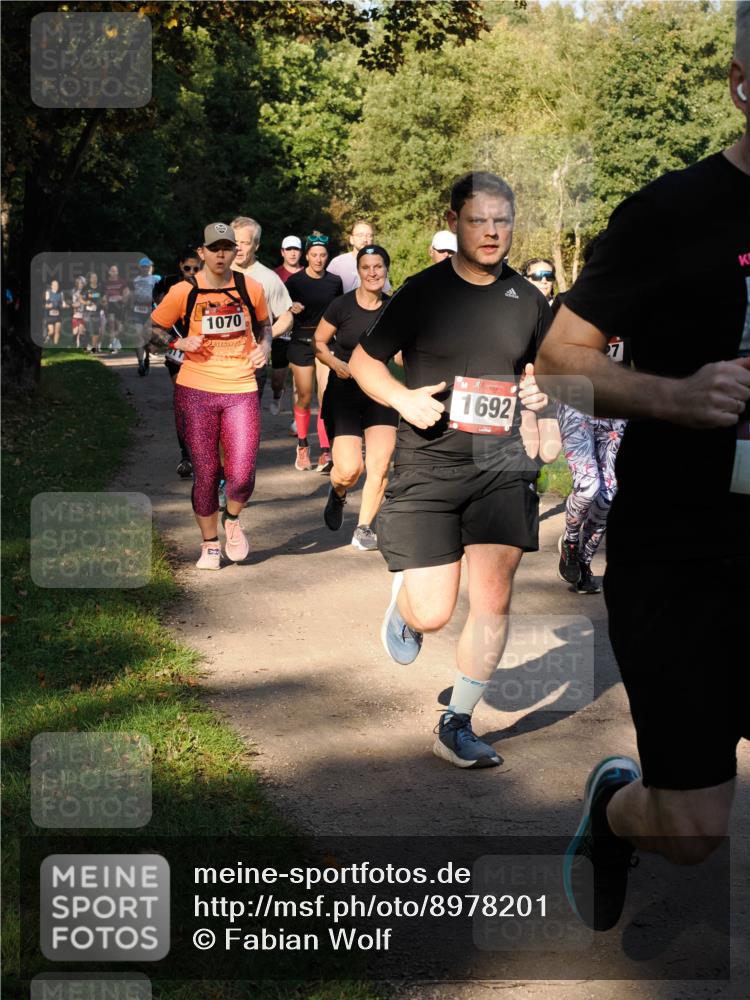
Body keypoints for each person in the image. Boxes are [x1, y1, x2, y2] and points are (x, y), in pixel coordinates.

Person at [535, 2, 750, 933]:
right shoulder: (671, 213)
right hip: (685, 550)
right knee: (694, 827)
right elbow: (558, 361)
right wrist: (676, 396)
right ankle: (621, 810)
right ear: (744, 85)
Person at [350, 171, 556, 769]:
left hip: (500, 460)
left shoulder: (530, 300)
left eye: (502, 220)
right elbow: (365, 362)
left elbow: (541, 373)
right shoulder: (422, 292)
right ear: (456, 222)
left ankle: (457, 722)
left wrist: (543, 392)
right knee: (435, 611)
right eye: (478, 220)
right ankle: (408, 609)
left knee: (493, 598)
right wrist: (402, 399)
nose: (492, 232)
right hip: (429, 460)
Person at [150, 223, 271, 569]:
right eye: (214, 248)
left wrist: (263, 347)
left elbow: (265, 326)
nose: (220, 254)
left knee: (243, 473)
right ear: (202, 252)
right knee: (205, 471)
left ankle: (231, 518)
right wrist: (178, 342)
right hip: (196, 388)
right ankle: (209, 544)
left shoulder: (252, 288)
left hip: (240, 386)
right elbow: (151, 331)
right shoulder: (183, 291)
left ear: (237, 252)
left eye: (227, 248)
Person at [547, 238, 628, 595]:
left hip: (616, 410)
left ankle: (583, 561)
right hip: (576, 403)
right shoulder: (566, 304)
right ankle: (569, 538)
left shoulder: (633, 306)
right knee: (588, 485)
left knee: (610, 494)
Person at [315, 245, 399, 550]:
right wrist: (335, 364)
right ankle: (337, 492)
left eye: (378, 267)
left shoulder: (394, 308)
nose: (373, 272)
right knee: (350, 470)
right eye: (366, 267)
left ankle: (364, 527)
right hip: (345, 392)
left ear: (386, 270)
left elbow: (401, 356)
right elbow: (319, 342)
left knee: (380, 462)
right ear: (359, 271)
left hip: (380, 391)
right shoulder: (342, 306)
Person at [286, 234, 344, 472]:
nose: (319, 259)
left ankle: (325, 450)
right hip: (300, 342)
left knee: (325, 394)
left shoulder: (335, 281)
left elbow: (340, 311)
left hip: (325, 343)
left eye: (323, 255)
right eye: (314, 255)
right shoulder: (294, 281)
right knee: (304, 396)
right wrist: (291, 307)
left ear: (327, 256)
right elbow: (282, 310)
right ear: (307, 255)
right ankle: (302, 446)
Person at [231, 216, 294, 411]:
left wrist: (266, 341)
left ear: (256, 245)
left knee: (244, 422)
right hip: (216, 362)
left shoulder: (268, 278)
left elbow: (287, 316)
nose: (239, 248)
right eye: (235, 242)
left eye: (245, 243)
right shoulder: (214, 273)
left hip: (252, 361)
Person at [154, 247, 203, 478]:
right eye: (187, 268)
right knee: (186, 404)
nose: (192, 272)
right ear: (180, 266)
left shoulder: (210, 285)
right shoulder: (168, 285)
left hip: (204, 353)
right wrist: (175, 342)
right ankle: (187, 455)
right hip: (178, 352)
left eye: (196, 268)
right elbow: (157, 321)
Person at [328, 220, 393, 294]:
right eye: (360, 235)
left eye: (369, 235)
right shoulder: (337, 263)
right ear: (351, 239)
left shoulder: (379, 263)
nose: (365, 239)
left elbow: (385, 292)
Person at [131, 257, 160, 376]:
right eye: (143, 267)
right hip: (137, 311)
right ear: (140, 268)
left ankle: (147, 358)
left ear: (151, 268)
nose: (146, 269)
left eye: (148, 266)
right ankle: (140, 364)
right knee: (138, 337)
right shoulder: (135, 280)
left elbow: (164, 292)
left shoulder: (156, 279)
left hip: (151, 311)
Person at [104, 264, 128, 352]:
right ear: (109, 272)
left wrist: (122, 298)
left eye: (116, 271)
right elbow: (103, 295)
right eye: (112, 271)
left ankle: (116, 340)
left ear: (118, 272)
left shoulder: (122, 282)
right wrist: (105, 301)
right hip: (110, 306)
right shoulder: (106, 283)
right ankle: (113, 345)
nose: (114, 272)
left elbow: (127, 292)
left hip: (120, 306)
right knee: (111, 325)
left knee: (120, 327)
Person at [82, 271, 105, 353]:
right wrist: (86, 302)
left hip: (96, 312)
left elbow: (103, 298)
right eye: (93, 277)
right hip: (87, 312)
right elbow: (81, 298)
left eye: (96, 277)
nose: (95, 279)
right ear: (90, 279)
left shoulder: (100, 288)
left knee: (95, 330)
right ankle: (86, 345)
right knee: (87, 330)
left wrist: (103, 301)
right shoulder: (85, 288)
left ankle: (94, 348)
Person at [44, 278, 65, 345]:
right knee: (51, 331)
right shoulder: (48, 292)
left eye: (57, 285)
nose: (56, 287)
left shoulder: (61, 293)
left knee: (57, 331)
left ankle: (55, 346)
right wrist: (48, 306)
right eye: (55, 285)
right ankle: (47, 337)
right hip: (50, 315)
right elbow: (44, 304)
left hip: (58, 315)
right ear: (51, 286)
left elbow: (63, 302)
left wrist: (64, 305)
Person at [70, 275, 87, 348]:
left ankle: (79, 346)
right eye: (79, 283)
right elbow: (72, 302)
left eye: (82, 283)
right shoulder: (73, 291)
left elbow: (91, 298)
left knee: (81, 331)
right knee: (75, 332)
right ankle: (75, 344)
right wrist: (73, 305)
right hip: (76, 314)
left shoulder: (86, 291)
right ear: (77, 284)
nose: (81, 285)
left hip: (84, 313)